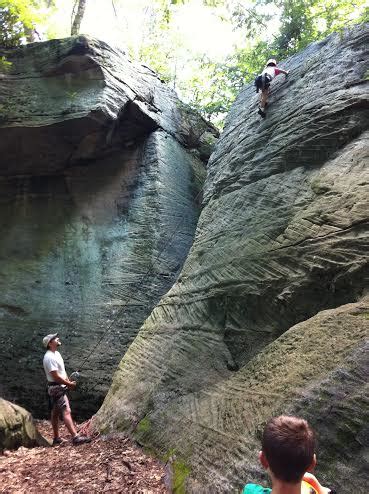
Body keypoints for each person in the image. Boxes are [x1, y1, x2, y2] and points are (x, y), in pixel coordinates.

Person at [243, 415, 336, 494]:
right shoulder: (311, 488)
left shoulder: (250, 491)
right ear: (312, 463)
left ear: (263, 459)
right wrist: (317, 485)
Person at [42, 332, 91, 446]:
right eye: (55, 338)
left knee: (55, 413)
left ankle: (56, 438)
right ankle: (75, 437)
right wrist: (68, 384)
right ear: (50, 343)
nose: (57, 338)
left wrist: (67, 381)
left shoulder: (56, 354)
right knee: (66, 410)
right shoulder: (49, 357)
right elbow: (55, 376)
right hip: (56, 388)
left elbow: (60, 372)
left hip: (57, 386)